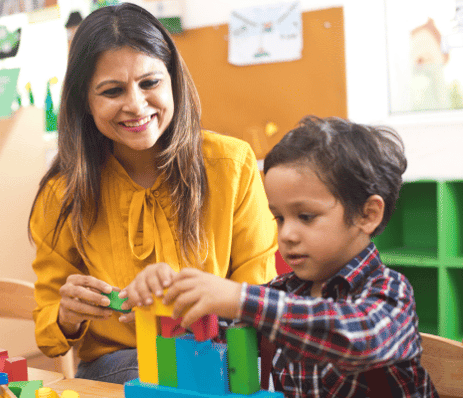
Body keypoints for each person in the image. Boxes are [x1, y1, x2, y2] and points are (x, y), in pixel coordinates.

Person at [28, 2, 277, 385]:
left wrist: (190, 304)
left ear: (173, 79)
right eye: (112, 91)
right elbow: (49, 332)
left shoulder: (231, 164)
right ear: (84, 103)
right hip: (119, 364)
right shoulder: (63, 191)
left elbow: (260, 296)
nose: (136, 104)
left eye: (150, 82)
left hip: (220, 353)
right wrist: (67, 314)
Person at [127, 116, 439, 397]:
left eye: (305, 216)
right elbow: (217, 333)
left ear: (367, 215)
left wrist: (239, 298)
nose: (287, 234)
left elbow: (357, 339)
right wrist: (170, 298)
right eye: (279, 218)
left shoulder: (391, 292)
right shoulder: (284, 292)